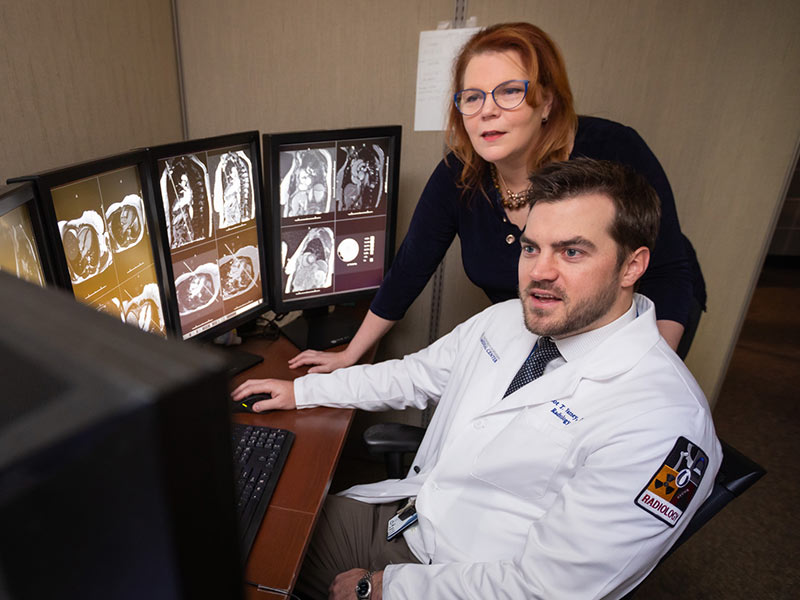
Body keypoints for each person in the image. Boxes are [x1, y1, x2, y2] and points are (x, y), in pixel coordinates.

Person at [233, 159, 721, 600]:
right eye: (532, 248)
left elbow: (548, 591)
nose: (540, 273)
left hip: (462, 580)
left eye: (572, 252)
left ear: (631, 266)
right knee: (247, 523)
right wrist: (303, 390)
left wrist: (383, 588)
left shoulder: (665, 423)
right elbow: (415, 375)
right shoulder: (508, 320)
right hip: (412, 517)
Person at [289, 22, 705, 374]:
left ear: (546, 102)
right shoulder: (459, 175)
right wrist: (350, 354)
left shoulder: (615, 151)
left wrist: (647, 376)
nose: (487, 111)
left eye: (509, 92)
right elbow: (408, 271)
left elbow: (668, 273)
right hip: (545, 328)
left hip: (641, 323)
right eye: (472, 97)